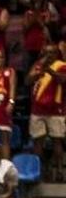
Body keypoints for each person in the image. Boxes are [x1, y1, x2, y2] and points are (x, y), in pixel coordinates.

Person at [28, 45, 66, 181]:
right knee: (38, 142)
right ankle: (40, 170)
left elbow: (63, 80)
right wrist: (39, 71)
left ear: (57, 54)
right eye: (46, 52)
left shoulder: (62, 66)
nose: (48, 55)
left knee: (57, 141)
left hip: (56, 110)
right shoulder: (38, 65)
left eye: (52, 52)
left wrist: (50, 71)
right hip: (37, 110)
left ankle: (60, 170)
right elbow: (28, 80)